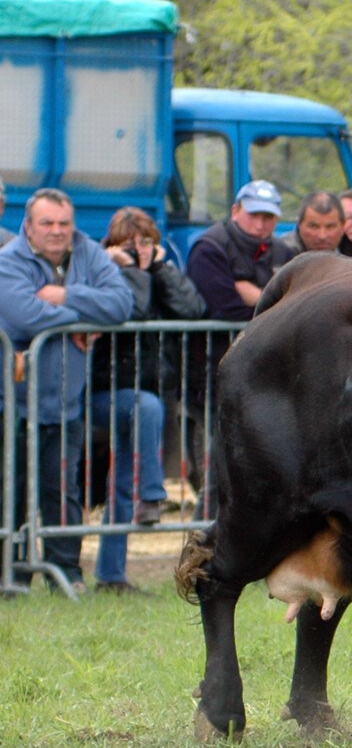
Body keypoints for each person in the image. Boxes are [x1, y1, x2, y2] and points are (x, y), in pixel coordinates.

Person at [1, 188, 135, 591]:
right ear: (28, 226)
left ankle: (67, 575)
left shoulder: (89, 252)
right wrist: (83, 320)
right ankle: (12, 576)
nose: (57, 231)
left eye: (64, 223)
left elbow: (122, 304)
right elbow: (23, 315)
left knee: (63, 490)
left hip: (66, 402)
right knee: (10, 491)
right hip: (12, 402)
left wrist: (63, 297)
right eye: (47, 223)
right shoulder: (8, 261)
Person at [90, 206, 205, 592]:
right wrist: (132, 271)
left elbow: (194, 309)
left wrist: (159, 268)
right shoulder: (102, 272)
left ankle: (110, 575)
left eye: (146, 243)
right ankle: (152, 494)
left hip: (148, 399)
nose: (138, 250)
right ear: (112, 246)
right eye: (129, 244)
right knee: (147, 408)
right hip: (106, 393)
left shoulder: (159, 272)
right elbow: (134, 311)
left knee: (123, 481)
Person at [186, 179, 281, 322]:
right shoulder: (209, 249)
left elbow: (297, 306)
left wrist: (261, 297)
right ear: (235, 211)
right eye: (253, 215)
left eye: (267, 217)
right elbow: (224, 310)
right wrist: (278, 307)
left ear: (276, 219)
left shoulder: (283, 250)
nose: (259, 225)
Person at [270, 190, 352, 266]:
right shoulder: (279, 255)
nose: (322, 236)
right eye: (314, 226)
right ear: (299, 225)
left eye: (330, 227)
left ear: (342, 226)